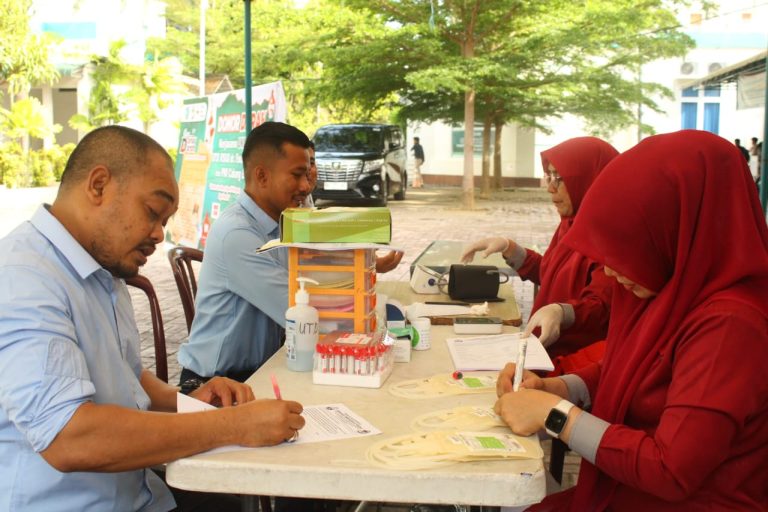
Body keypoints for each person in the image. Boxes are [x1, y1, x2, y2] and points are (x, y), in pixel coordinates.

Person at [0, 125, 305, 512]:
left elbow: (125, 373)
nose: (160, 235)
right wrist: (235, 426)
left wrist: (186, 401)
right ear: (98, 185)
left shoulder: (102, 270)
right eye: (152, 212)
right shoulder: (22, 278)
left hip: (140, 493)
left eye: (165, 221)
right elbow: (69, 437)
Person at [495, 130, 768, 510]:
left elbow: (672, 469)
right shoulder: (665, 289)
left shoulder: (731, 325)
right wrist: (559, 389)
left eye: (628, 246)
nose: (609, 270)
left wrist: (555, 416)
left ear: (678, 229)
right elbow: (633, 369)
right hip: (624, 488)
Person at [178, 122, 402, 385]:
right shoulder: (237, 234)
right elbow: (306, 312)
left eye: (308, 175)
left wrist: (366, 265)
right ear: (262, 176)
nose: (306, 186)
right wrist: (371, 314)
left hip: (266, 368)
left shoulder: (285, 220)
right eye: (296, 175)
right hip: (217, 384)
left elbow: (320, 268)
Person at [461, 137, 618, 373]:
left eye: (560, 178)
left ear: (589, 180)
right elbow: (553, 275)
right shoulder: (571, 224)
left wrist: (562, 312)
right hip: (542, 353)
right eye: (549, 176)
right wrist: (508, 247)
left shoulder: (609, 237)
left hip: (575, 367)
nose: (550, 188)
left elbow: (601, 308)